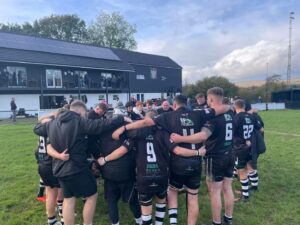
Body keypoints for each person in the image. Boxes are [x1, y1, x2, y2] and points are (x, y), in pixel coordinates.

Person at [112, 94, 230, 225]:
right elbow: (222, 109)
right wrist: (230, 106)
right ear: (188, 103)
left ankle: (173, 222)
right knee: (193, 197)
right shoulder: (199, 113)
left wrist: (124, 127)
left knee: (173, 192)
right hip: (195, 162)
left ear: (174, 105)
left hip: (176, 163)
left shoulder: (167, 117)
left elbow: (147, 122)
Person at [33, 100, 128, 225]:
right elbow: (101, 125)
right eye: (85, 114)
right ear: (80, 111)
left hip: (59, 169)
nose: (85, 116)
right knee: (92, 195)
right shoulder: (80, 121)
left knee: (68, 199)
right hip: (77, 168)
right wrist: (121, 119)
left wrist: (51, 121)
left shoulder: (53, 123)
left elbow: (37, 128)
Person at [124, 110, 203, 225]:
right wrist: (197, 152)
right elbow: (178, 150)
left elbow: (124, 146)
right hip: (161, 175)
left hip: (144, 176)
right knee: (161, 202)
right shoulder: (164, 133)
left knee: (146, 212)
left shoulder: (136, 133)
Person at [170, 87, 235, 225]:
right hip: (230, 153)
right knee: (228, 188)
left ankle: (216, 222)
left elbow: (203, 135)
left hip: (215, 157)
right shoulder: (230, 112)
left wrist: (181, 139)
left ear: (210, 98)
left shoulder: (213, 117)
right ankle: (228, 219)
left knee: (215, 191)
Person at [97, 110, 142, 225]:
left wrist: (103, 159)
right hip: (124, 172)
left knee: (113, 201)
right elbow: (123, 150)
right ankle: (140, 221)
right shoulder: (127, 131)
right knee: (132, 200)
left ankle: (134, 221)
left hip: (109, 171)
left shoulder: (103, 129)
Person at [36, 113, 64, 225]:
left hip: (43, 165)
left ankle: (51, 220)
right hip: (53, 164)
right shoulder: (52, 129)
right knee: (64, 193)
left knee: (50, 194)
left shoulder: (41, 130)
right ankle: (64, 218)